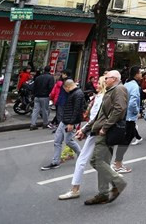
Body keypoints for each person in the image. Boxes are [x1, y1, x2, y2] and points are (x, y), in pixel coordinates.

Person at [75, 70, 128, 205]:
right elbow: (99, 116)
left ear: (115, 79)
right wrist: (85, 129)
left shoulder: (119, 89)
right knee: (102, 161)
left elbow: (119, 109)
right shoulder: (109, 92)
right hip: (101, 130)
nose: (104, 80)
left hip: (106, 132)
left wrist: (105, 127)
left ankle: (118, 182)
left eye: (107, 78)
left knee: (96, 161)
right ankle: (103, 193)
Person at [59, 72, 107, 200]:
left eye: (99, 82)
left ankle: (75, 189)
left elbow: (96, 118)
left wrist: (85, 130)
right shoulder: (100, 97)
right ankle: (110, 186)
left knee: (84, 160)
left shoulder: (101, 98)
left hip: (96, 131)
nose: (96, 85)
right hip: (97, 131)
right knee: (98, 161)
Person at [41, 79, 85, 170]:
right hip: (64, 120)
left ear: (67, 87)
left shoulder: (78, 94)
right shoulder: (73, 93)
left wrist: (71, 123)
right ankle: (55, 162)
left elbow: (77, 110)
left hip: (70, 122)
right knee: (57, 141)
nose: (64, 91)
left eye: (64, 89)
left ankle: (81, 156)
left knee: (68, 141)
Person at [113, 66, 143, 174]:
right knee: (126, 139)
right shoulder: (134, 86)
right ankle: (118, 163)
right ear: (136, 74)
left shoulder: (126, 84)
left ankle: (118, 162)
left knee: (126, 138)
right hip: (129, 116)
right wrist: (136, 112)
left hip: (123, 115)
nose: (141, 75)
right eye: (140, 73)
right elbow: (133, 102)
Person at [30, 66, 55, 130]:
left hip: (37, 96)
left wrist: (34, 94)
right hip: (44, 96)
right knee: (45, 110)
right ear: (50, 70)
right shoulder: (50, 77)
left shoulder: (38, 77)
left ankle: (33, 124)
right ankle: (45, 123)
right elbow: (51, 87)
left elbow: (34, 87)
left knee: (35, 110)